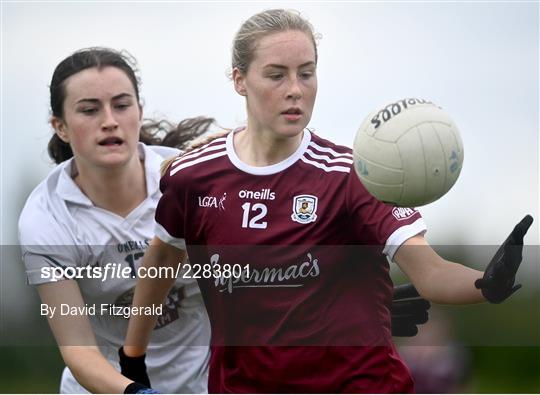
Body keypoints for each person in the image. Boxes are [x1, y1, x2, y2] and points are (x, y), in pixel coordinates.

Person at [123, 9, 533, 393]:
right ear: (239, 80)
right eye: (276, 75)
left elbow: (430, 272)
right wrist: (133, 356)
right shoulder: (193, 176)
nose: (295, 90)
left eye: (307, 73)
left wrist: (485, 283)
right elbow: (161, 262)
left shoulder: (351, 175)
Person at [18, 47, 214, 394]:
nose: (109, 120)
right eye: (89, 110)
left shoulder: (191, 181)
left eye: (122, 105)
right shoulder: (46, 217)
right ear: (60, 127)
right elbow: (80, 354)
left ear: (139, 111)